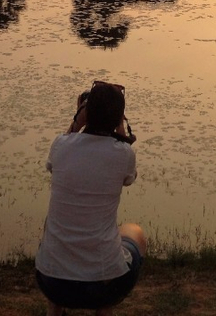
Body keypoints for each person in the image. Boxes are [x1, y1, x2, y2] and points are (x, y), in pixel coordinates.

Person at [35, 81, 147, 315]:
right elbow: (130, 178)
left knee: (53, 230)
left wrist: (77, 122)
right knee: (134, 231)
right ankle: (103, 310)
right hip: (103, 286)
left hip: (50, 282)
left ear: (85, 112)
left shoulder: (60, 145)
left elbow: (53, 163)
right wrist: (120, 129)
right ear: (119, 117)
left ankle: (55, 310)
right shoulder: (124, 154)